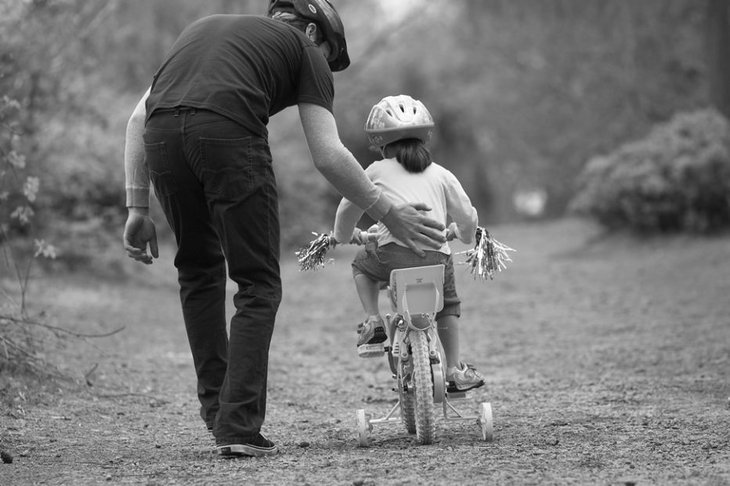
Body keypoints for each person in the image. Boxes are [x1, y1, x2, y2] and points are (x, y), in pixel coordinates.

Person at [122, 1, 447, 458]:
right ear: (315, 33)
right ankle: (237, 425)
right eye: (329, 54)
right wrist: (390, 213)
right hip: (227, 134)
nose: (323, 67)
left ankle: (220, 413)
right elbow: (328, 154)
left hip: (161, 140)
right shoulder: (305, 48)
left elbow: (139, 118)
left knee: (197, 272)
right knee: (257, 283)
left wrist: (137, 206)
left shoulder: (201, 31)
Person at [333, 94, 485, 393]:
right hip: (436, 259)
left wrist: (343, 235)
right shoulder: (441, 174)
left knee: (361, 265)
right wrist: (462, 233)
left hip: (391, 258)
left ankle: (373, 320)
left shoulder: (375, 171)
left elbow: (347, 207)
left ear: (380, 143)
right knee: (448, 305)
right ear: (425, 138)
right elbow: (467, 217)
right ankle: (454, 368)